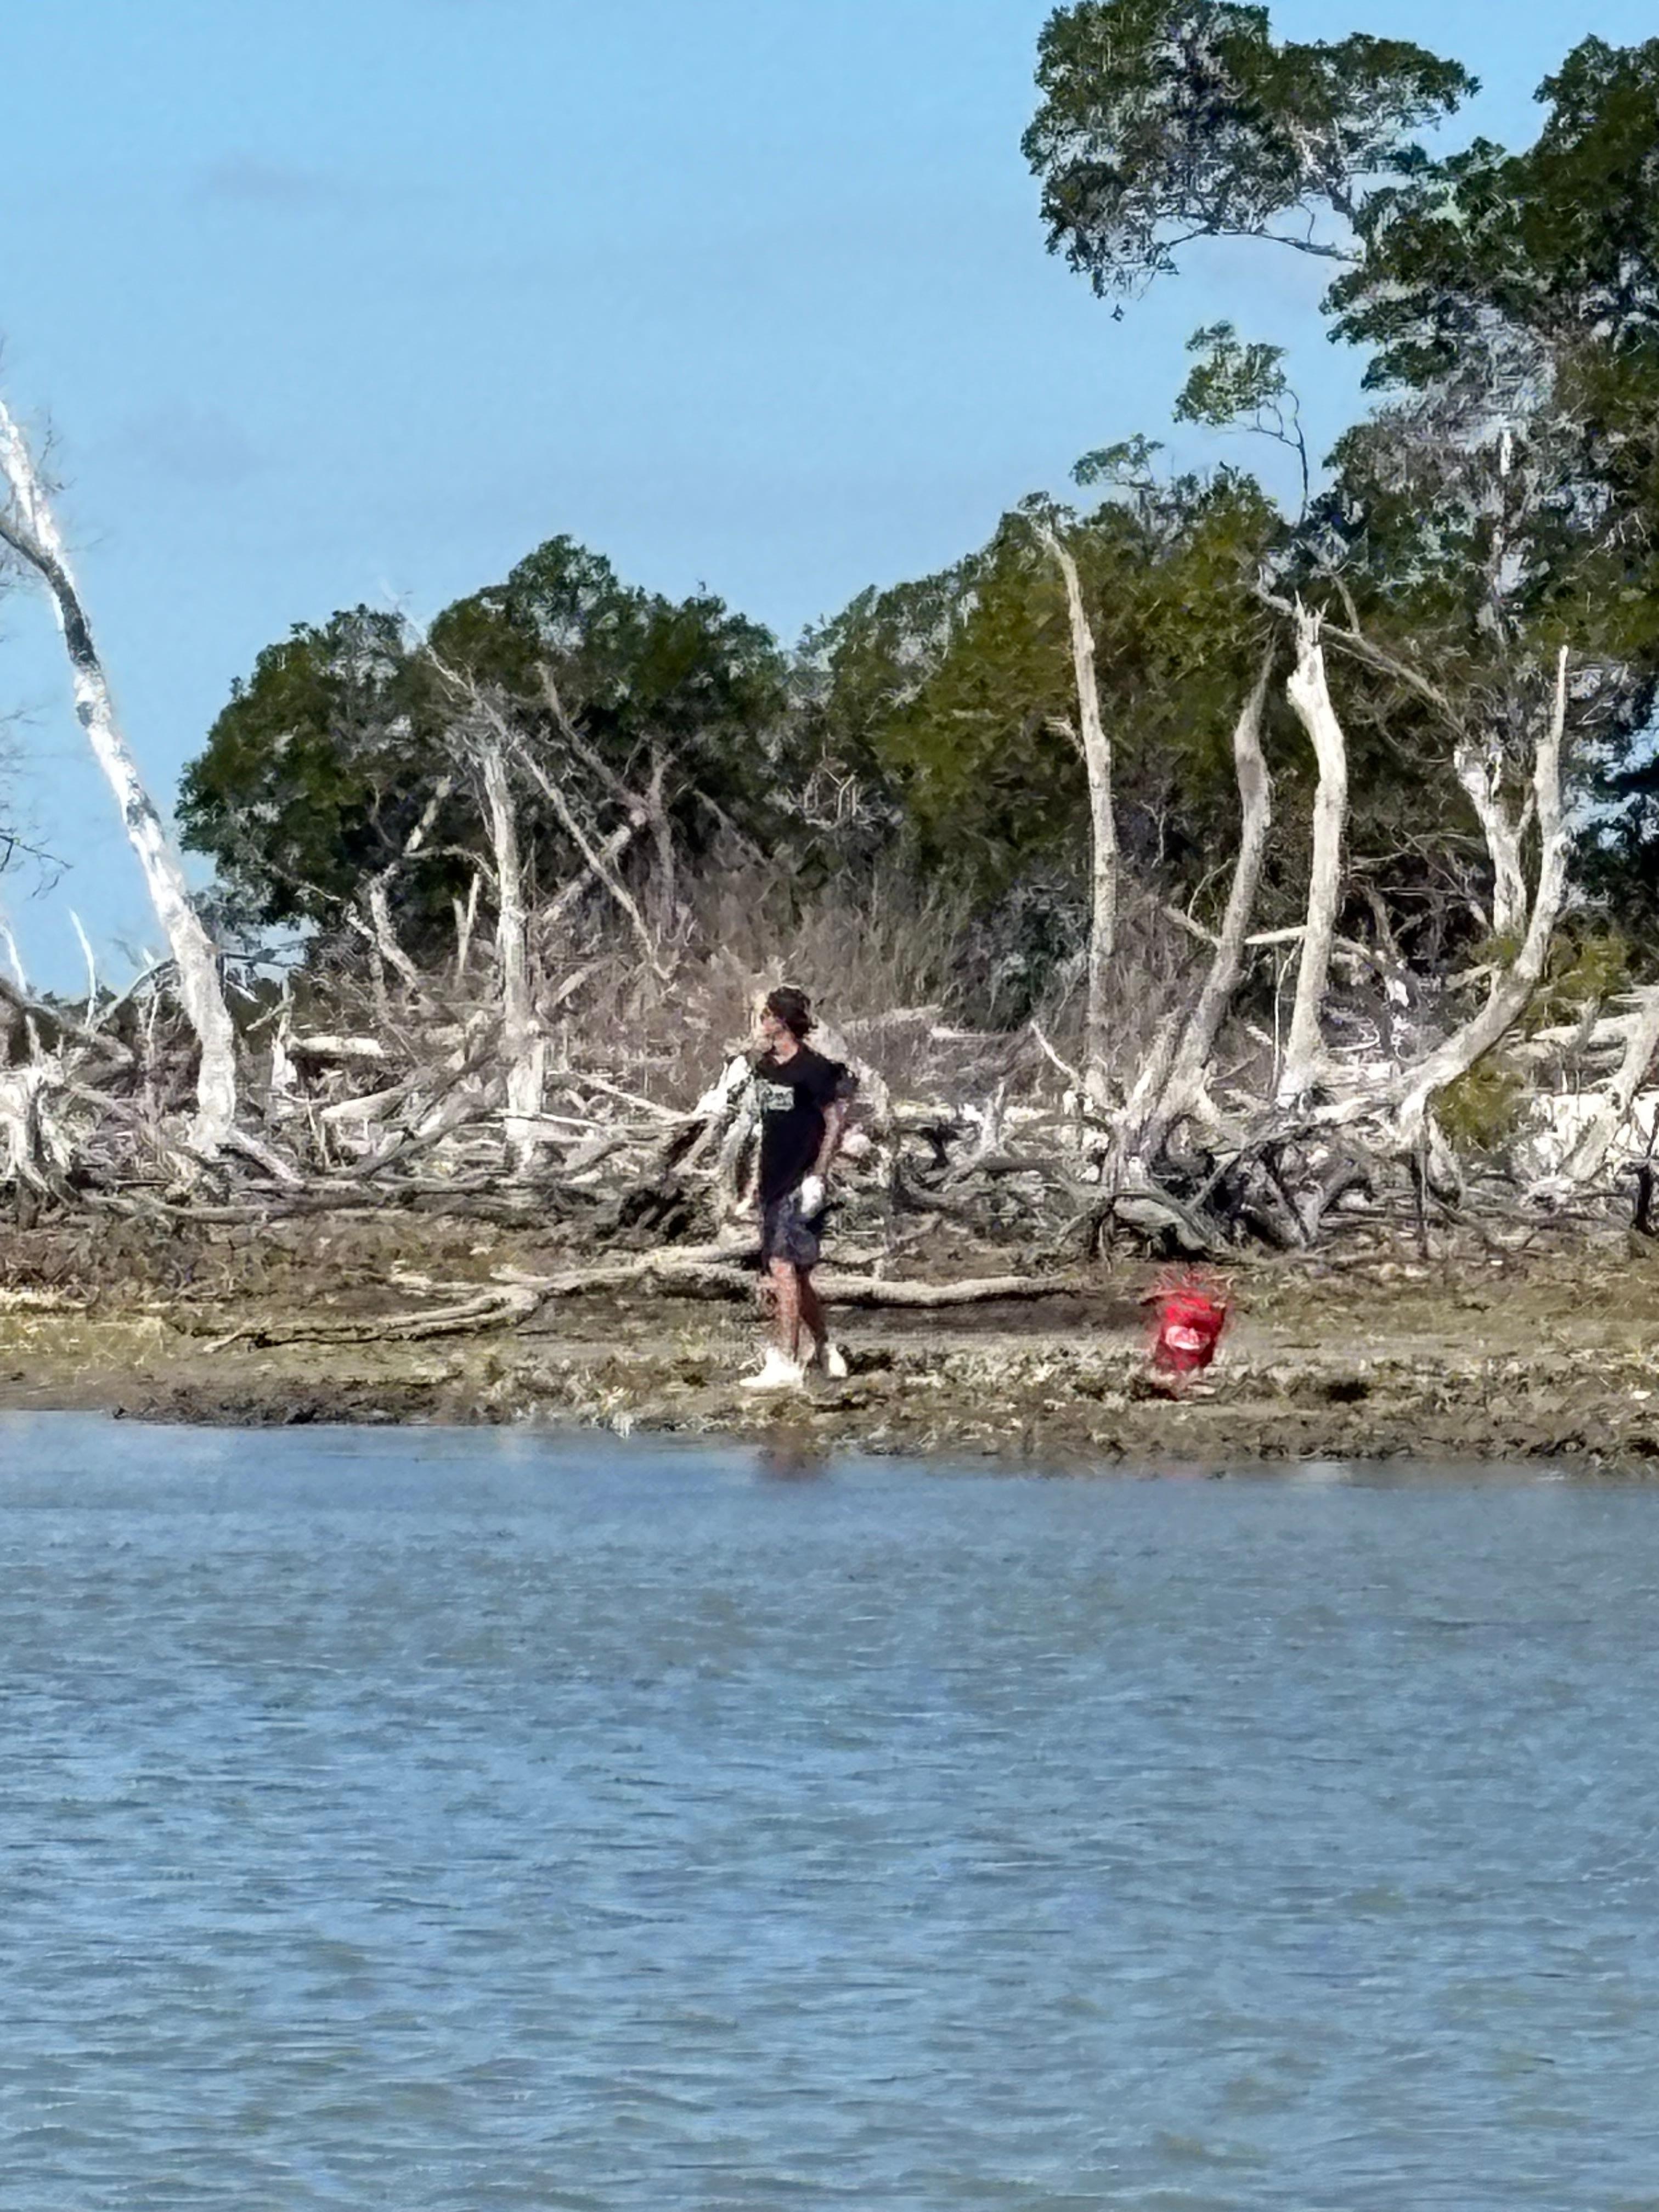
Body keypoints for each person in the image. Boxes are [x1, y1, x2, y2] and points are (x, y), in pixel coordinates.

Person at [739, 985, 854, 1392]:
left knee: (783, 1271)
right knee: (797, 1278)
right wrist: (753, 1184)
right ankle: (824, 1348)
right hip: (772, 1182)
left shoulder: (814, 1069)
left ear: (779, 1021)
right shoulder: (765, 1068)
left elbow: (836, 1121)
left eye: (764, 1016)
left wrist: (819, 1175)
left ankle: (786, 1362)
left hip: (802, 1183)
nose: (759, 1024)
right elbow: (764, 1130)